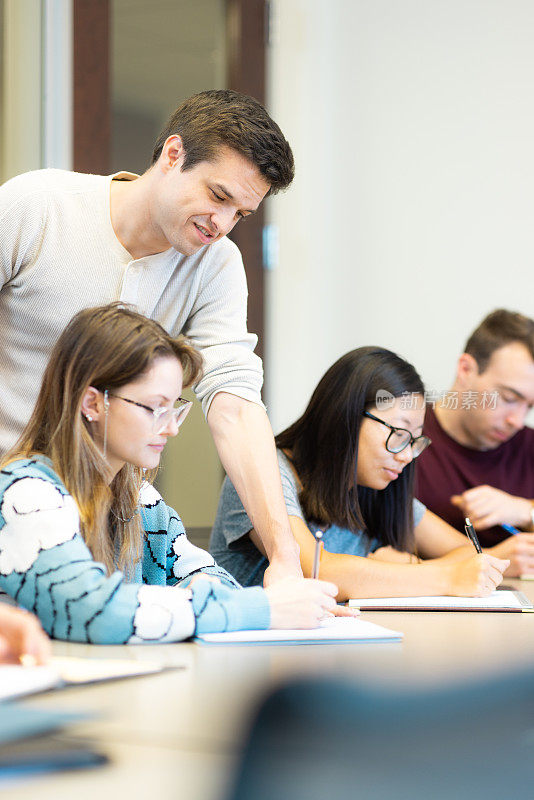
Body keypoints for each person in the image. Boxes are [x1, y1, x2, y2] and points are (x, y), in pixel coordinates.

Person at [0, 89, 300, 585]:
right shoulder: (38, 206)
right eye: (218, 196)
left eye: (240, 215)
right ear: (173, 154)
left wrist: (284, 560)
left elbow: (236, 405)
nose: (221, 225)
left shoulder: (217, 265)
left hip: (107, 521)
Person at [0, 305, 345, 644]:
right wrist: (266, 609)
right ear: (92, 403)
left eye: (174, 409)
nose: (171, 429)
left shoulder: (142, 500)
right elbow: (96, 611)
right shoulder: (26, 492)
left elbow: (210, 579)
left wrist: (208, 597)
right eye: (154, 408)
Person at [210, 347, 508, 600]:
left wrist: (399, 569)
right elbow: (311, 570)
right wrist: (442, 577)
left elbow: (469, 553)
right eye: (398, 432)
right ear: (346, 418)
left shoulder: (373, 485)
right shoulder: (266, 472)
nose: (406, 455)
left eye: (415, 439)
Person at [417, 309, 534, 561]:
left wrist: (524, 511)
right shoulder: (404, 437)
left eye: (530, 406)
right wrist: (495, 559)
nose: (517, 420)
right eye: (509, 398)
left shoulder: (529, 446)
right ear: (466, 369)